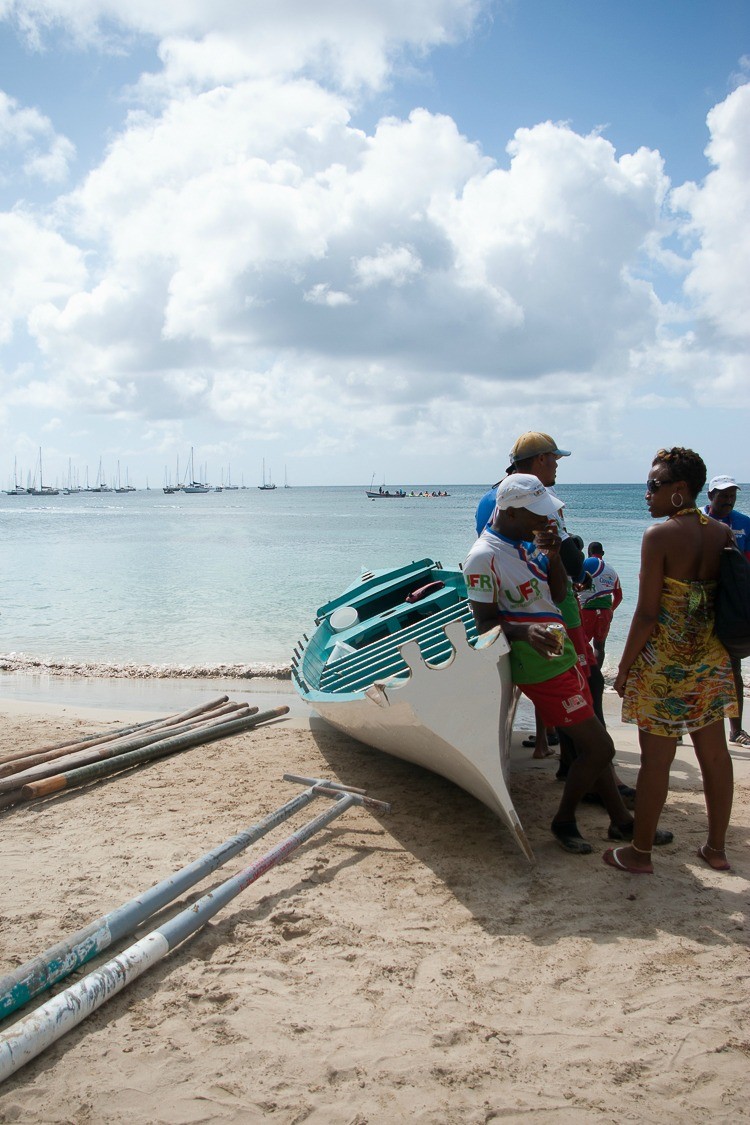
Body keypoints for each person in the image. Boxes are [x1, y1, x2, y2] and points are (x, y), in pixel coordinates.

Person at [463, 474, 664, 855]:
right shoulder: (483, 557)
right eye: (536, 514)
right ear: (510, 510)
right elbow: (485, 624)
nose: (544, 521)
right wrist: (526, 633)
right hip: (539, 665)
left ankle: (621, 821)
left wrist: (554, 556)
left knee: (591, 746)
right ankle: (564, 820)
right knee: (599, 748)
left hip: (560, 654)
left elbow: (557, 593)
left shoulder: (527, 545)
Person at [605, 448, 737, 875]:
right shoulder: (721, 532)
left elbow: (646, 613)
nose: (647, 494)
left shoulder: (658, 536)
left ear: (680, 491)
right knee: (715, 757)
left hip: (663, 665)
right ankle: (715, 849)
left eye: (654, 486)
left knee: (655, 762)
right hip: (711, 661)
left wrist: (623, 668)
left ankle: (640, 854)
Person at [703, 474, 750, 747]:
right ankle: (682, 727)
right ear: (710, 496)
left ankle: (735, 729)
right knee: (692, 663)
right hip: (701, 600)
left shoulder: (744, 523)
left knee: (733, 666)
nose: (728, 499)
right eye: (723, 495)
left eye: (732, 494)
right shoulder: (696, 520)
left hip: (731, 604)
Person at [579, 541, 623, 669]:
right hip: (604, 612)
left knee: (582, 645)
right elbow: (619, 596)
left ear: (588, 553)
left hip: (586, 611)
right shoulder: (612, 570)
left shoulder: (585, 564)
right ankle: (597, 675)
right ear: (602, 553)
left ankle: (584, 673)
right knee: (599, 646)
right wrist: (610, 610)